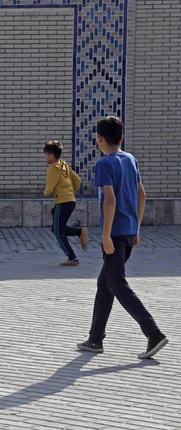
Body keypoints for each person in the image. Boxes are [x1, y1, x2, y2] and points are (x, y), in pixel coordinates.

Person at [77, 116, 168, 359]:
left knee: (116, 283)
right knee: (105, 283)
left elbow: (109, 199)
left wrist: (106, 235)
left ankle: (153, 333)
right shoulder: (131, 159)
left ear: (99, 139)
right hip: (128, 232)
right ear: (121, 137)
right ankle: (95, 340)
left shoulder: (104, 164)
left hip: (115, 234)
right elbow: (142, 195)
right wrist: (136, 229)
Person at [43, 140, 88, 266]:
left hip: (62, 202)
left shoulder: (53, 168)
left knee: (58, 232)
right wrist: (70, 192)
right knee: (56, 228)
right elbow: (77, 180)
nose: (46, 157)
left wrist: (46, 192)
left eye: (46, 155)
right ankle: (79, 232)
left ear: (51, 155)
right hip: (70, 201)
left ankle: (72, 258)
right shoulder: (64, 165)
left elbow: (49, 189)